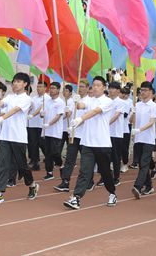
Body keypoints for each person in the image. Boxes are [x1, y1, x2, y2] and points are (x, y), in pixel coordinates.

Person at [63, 76, 117, 210]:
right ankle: (76, 197)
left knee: (105, 172)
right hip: (87, 142)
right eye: (94, 85)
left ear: (104, 87)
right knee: (84, 171)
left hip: (102, 143)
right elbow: (81, 105)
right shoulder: (89, 99)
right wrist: (75, 101)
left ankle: (112, 193)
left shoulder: (108, 101)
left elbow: (95, 111)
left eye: (99, 85)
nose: (95, 87)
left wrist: (80, 119)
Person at [0, 72, 39, 203]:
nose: (15, 84)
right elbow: (2, 104)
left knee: (22, 166)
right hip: (5, 136)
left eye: (18, 81)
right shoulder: (10, 97)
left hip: (18, 137)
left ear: (25, 84)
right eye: (14, 81)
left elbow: (15, 110)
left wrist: (1, 118)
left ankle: (32, 184)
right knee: (2, 164)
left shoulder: (27, 99)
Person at [56, 79, 90, 192]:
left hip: (84, 135)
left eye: (83, 86)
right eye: (79, 87)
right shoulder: (74, 100)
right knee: (70, 159)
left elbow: (88, 117)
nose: (80, 89)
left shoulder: (89, 101)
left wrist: (77, 123)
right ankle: (65, 182)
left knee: (85, 161)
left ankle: (89, 181)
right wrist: (67, 112)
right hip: (73, 134)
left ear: (87, 88)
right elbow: (69, 114)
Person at [131, 81, 156, 198]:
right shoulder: (137, 105)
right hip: (138, 138)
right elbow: (131, 121)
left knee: (144, 162)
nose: (142, 92)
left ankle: (138, 186)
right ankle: (149, 186)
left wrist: (140, 130)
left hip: (148, 138)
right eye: (141, 90)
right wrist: (133, 112)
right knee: (142, 164)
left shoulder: (154, 106)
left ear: (151, 92)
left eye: (145, 90)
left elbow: (152, 122)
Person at [42, 82, 65, 180]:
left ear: (58, 90)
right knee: (47, 153)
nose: (51, 90)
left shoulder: (60, 102)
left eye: (53, 88)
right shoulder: (47, 101)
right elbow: (43, 114)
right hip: (47, 131)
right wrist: (42, 114)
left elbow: (58, 116)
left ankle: (61, 165)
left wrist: (49, 124)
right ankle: (49, 172)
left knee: (55, 152)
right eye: (50, 88)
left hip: (55, 131)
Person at [108, 82, 126, 186]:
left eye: (113, 88)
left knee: (115, 156)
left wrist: (105, 124)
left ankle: (116, 177)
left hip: (116, 133)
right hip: (107, 133)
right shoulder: (107, 101)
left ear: (118, 91)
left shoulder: (121, 102)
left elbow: (116, 115)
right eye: (109, 88)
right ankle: (106, 176)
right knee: (105, 156)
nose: (110, 90)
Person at [27, 81, 48, 171]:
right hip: (32, 124)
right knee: (33, 144)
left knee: (42, 144)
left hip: (41, 124)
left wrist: (33, 115)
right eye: (38, 86)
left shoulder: (47, 98)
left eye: (40, 86)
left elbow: (40, 108)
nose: (38, 88)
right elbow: (30, 107)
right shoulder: (34, 98)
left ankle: (49, 157)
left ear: (45, 88)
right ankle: (35, 162)